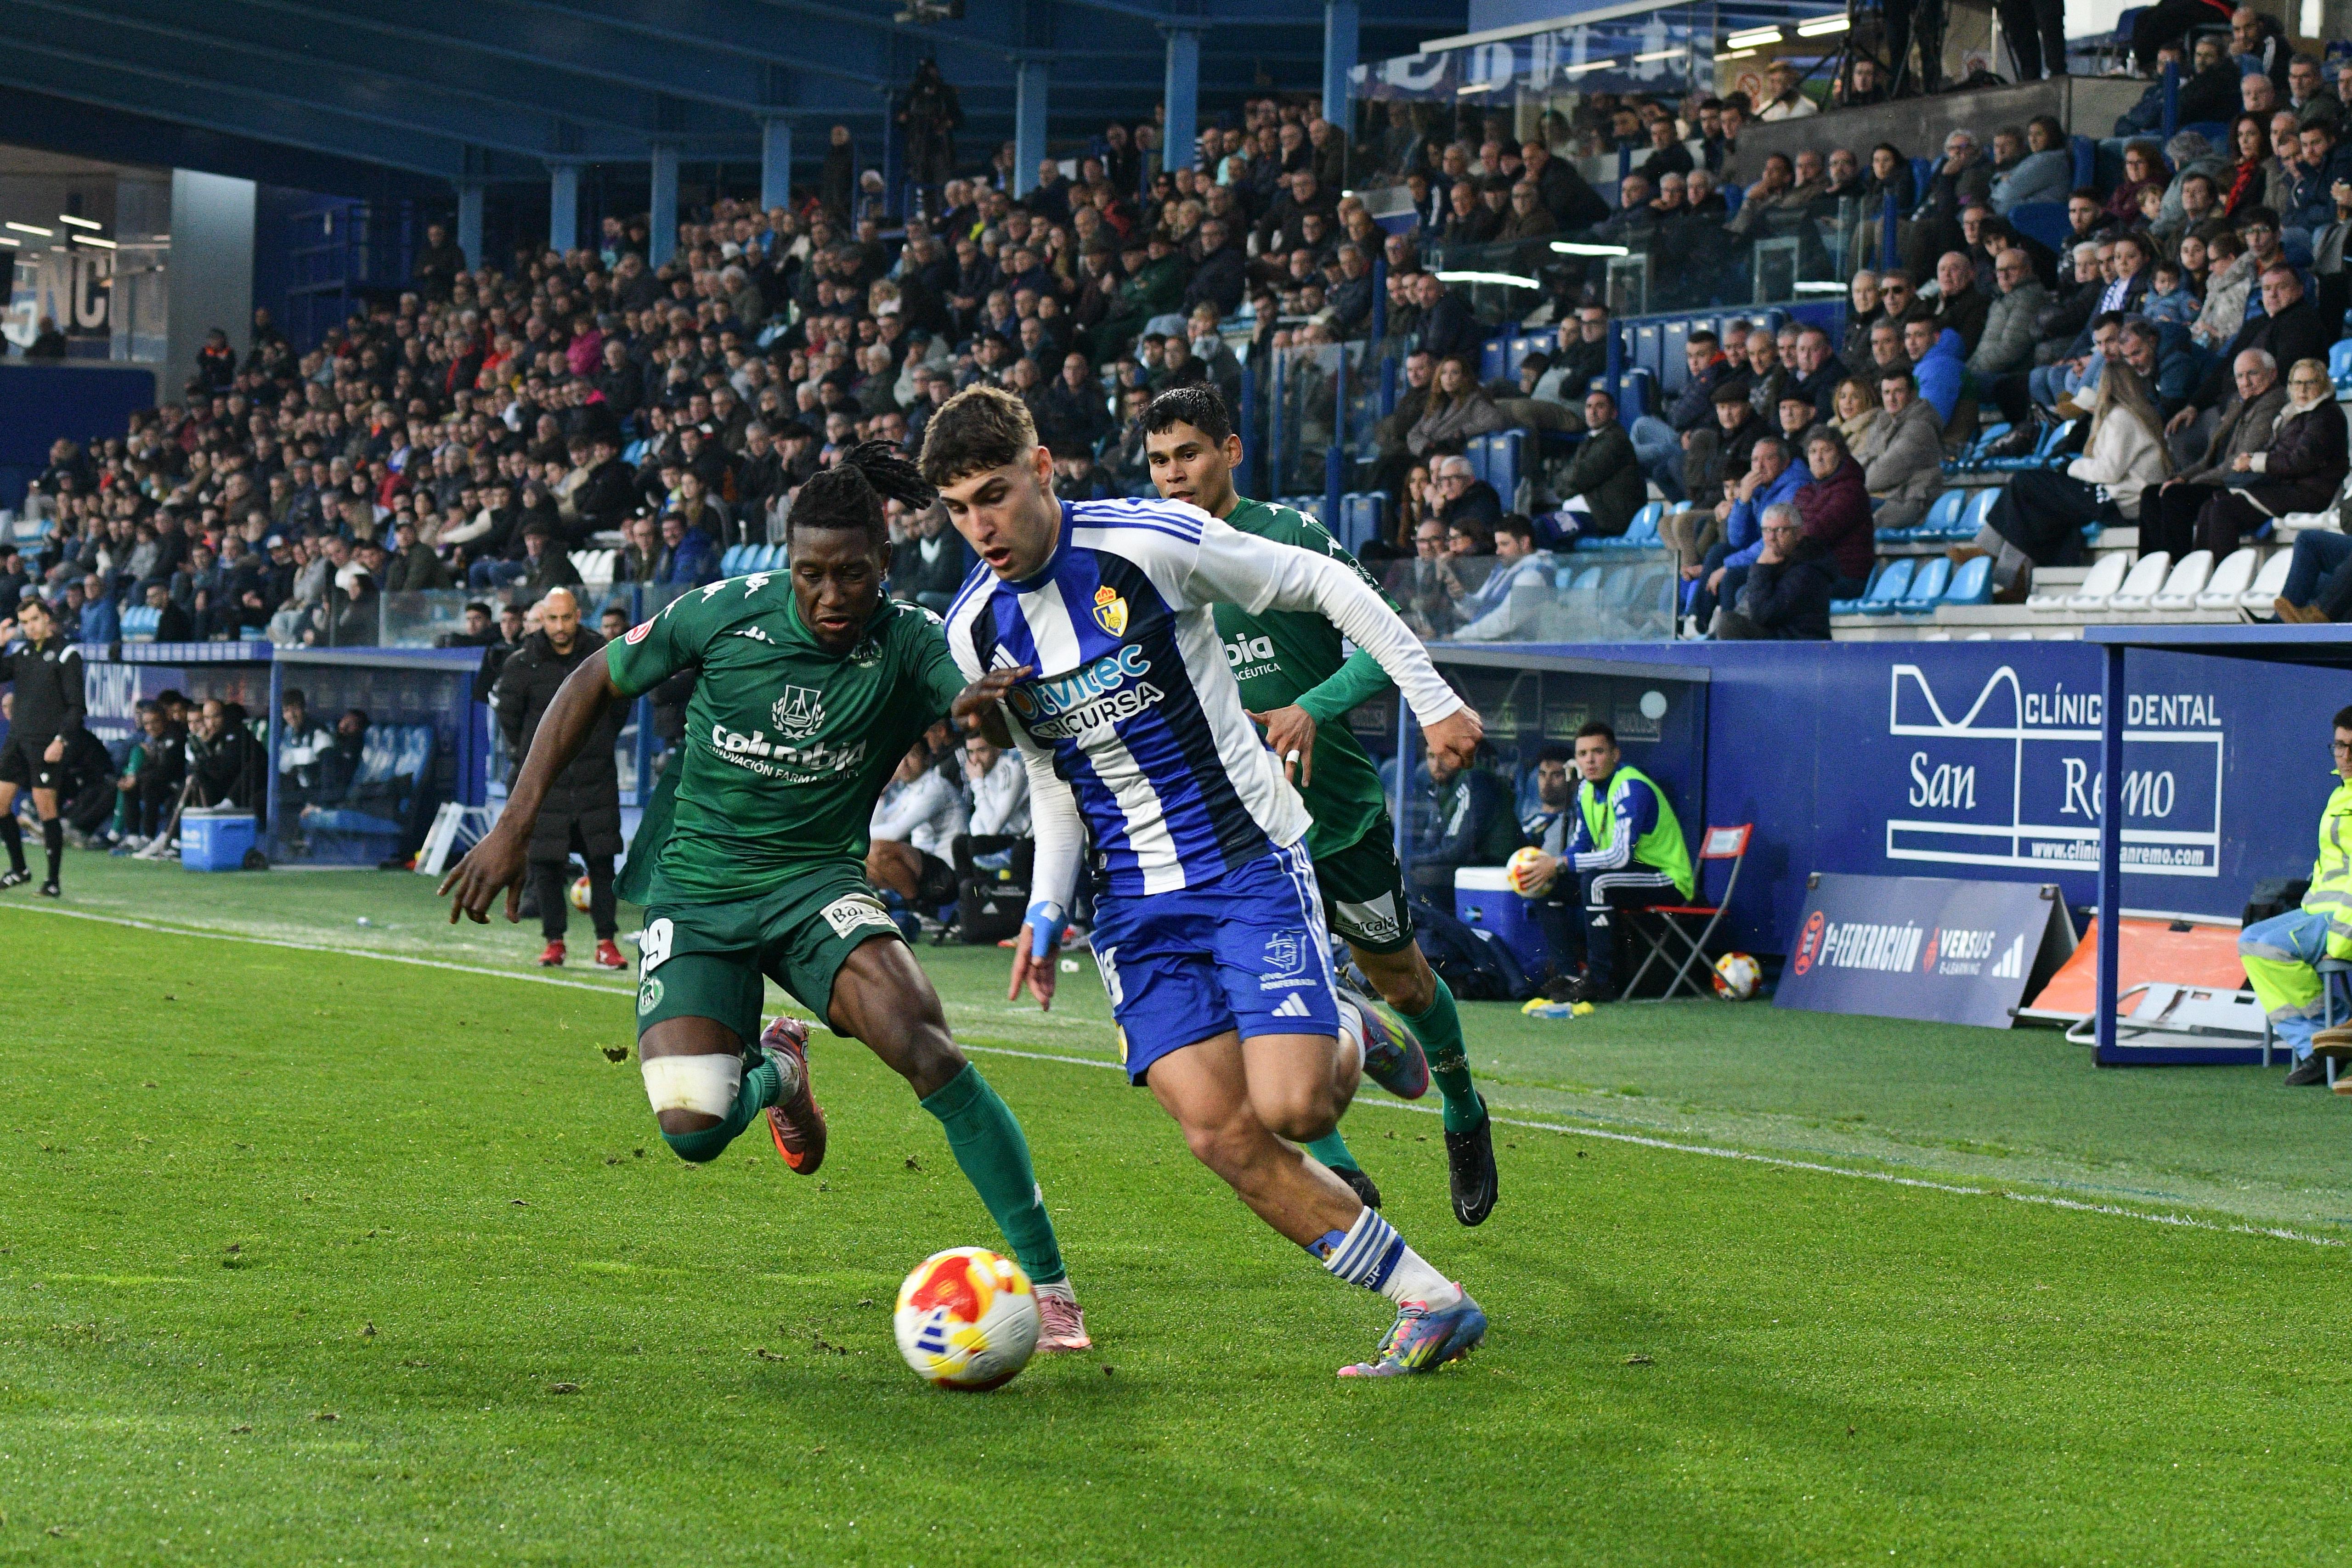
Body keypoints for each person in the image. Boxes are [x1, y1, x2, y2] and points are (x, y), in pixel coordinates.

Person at [439, 442, 1095, 1354]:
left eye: (853, 575)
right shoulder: (720, 614)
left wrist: (978, 700)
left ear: (884, 565)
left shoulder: (910, 640)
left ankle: (1053, 1290)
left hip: (815, 885)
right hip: (700, 891)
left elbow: (965, 698)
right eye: (812, 574)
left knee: (923, 1043)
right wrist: (515, 821)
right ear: (786, 563)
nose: (831, 595)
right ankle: (782, 1070)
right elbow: (594, 679)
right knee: (692, 1130)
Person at [925, 385, 1491, 1377]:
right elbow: (1056, 779)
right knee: (1218, 1134)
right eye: (959, 506)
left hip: (1242, 865)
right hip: (1133, 910)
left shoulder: (1150, 543)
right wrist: (1046, 909)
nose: (981, 526)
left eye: (995, 494)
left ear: (1043, 469)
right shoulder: (975, 629)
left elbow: (1334, 589)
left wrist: (1435, 701)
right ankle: (1428, 1300)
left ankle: (1348, 1024)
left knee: (1297, 1113)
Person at [1141, 387, 1497, 1224]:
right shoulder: (1153, 562)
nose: (1174, 473)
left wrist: (1312, 706)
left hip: (1336, 816)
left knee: (1403, 982)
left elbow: (1386, 638)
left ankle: (1463, 1107)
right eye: (1159, 460)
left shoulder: (1291, 537)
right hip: (1239, 833)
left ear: (1229, 449)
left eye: (1188, 452)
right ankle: (1343, 1171)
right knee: (1254, 1006)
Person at [1509, 721, 1691, 1005]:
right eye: (1582, 754)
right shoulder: (1585, 791)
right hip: (1623, 877)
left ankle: (1599, 981)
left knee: (1596, 881)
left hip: (1666, 878)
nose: (1590, 761)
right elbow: (1581, 844)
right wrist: (1552, 869)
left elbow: (1620, 856)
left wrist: (1558, 863)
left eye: (1598, 752)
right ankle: (1569, 978)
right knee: (1545, 886)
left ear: (1615, 755)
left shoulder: (1630, 787)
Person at [492, 587, 625, 971]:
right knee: (546, 863)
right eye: (553, 619)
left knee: (602, 861)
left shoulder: (602, 654)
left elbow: (619, 706)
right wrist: (538, 760)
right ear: (543, 619)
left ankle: (607, 943)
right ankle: (554, 942)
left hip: (595, 776)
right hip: (546, 781)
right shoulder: (522, 664)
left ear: (578, 615)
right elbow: (511, 723)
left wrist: (593, 743)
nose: (560, 627)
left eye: (567, 618)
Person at [1965, 359, 2171, 600]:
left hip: (2119, 500)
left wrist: (2073, 466)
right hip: (2123, 498)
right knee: (2039, 510)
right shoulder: (2135, 416)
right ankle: (2015, 580)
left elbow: (2109, 471)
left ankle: (1990, 548)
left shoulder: (2120, 418)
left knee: (2025, 482)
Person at [2242, 707, 2352, 1084]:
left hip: (2342, 921)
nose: (2346, 757)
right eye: (2340, 746)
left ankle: (2331, 1037)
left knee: (2269, 948)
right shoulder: (2341, 793)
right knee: (2252, 939)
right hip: (2321, 908)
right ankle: (2324, 1042)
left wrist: (2341, 941)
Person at [2188, 356, 2348, 555]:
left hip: (2309, 493)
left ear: (2323, 384)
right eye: (2298, 383)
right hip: (2286, 488)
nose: (2303, 390)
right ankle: (2199, 574)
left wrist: (2256, 462)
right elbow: (2276, 451)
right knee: (2209, 506)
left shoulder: (2326, 416)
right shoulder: (2295, 414)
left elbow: (2300, 462)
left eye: (2310, 383)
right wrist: (2250, 459)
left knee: (2224, 510)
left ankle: (2221, 574)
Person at [2142, 349, 2286, 558]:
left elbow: (2240, 461)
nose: (2245, 382)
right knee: (2151, 495)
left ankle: (2178, 566)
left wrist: (2192, 483)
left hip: (2238, 484)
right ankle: (2151, 569)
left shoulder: (2272, 403)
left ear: (2272, 374)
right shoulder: (2237, 402)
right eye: (2239, 376)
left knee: (2176, 496)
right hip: (2217, 478)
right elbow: (2207, 459)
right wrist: (2183, 477)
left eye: (2253, 374)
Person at [0, 597, 83, 895]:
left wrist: (61, 740)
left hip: (45, 744)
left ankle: (53, 881)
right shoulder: (23, 654)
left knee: (45, 808)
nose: (30, 627)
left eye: (34, 620)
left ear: (47, 617)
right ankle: (20, 868)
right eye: (24, 623)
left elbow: (77, 707)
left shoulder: (66, 655)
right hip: (17, 740)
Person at [865, 737, 967, 916]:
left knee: (878, 850)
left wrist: (856, 837)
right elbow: (880, 825)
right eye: (901, 757)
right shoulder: (910, 790)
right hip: (925, 866)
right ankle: (911, 908)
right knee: (863, 854)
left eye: (912, 756)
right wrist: (881, 793)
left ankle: (920, 910)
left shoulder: (935, 787)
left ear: (927, 759)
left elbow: (897, 831)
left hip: (948, 871)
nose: (904, 764)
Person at [1715, 505, 1836, 641]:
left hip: (1801, 646)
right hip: (1782, 638)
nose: (1772, 537)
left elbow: (1762, 615)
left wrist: (1761, 568)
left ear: (1798, 534)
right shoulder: (1783, 562)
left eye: (1780, 530)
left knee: (1729, 625)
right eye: (1766, 530)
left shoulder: (1807, 571)